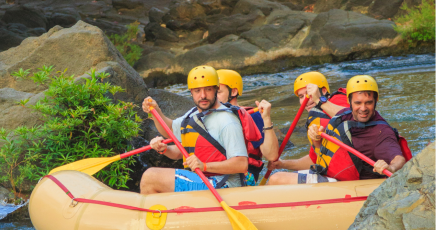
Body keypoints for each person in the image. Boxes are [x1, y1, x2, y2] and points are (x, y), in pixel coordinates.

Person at [140, 65, 260, 194]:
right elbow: (170, 130)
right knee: (152, 176)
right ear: (191, 92)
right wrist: (156, 112)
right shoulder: (193, 114)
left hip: (224, 185)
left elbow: (241, 164)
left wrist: (204, 166)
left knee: (151, 177)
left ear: (216, 89)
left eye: (208, 90)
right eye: (197, 91)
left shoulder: (227, 121)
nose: (203, 96)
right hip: (203, 179)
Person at [305, 75, 411, 181]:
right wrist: (317, 137)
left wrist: (391, 168)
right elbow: (335, 111)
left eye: (368, 102)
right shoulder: (347, 114)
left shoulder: (381, 132)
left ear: (376, 100)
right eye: (358, 103)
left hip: (350, 186)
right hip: (326, 173)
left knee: (287, 178)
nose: (363, 108)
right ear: (349, 101)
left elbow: (399, 159)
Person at [266, 71, 350, 185]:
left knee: (276, 179)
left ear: (324, 91)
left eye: (310, 93)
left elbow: (352, 117)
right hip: (333, 174)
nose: (307, 99)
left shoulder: (338, 100)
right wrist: (282, 164)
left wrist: (320, 101)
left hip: (346, 179)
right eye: (301, 96)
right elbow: (314, 159)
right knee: (280, 175)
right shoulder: (316, 117)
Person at [216, 69, 278, 183]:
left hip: (243, 175)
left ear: (233, 92)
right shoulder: (207, 118)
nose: (213, 96)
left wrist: (266, 119)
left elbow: (272, 156)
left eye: (218, 92)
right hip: (216, 171)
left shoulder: (252, 116)